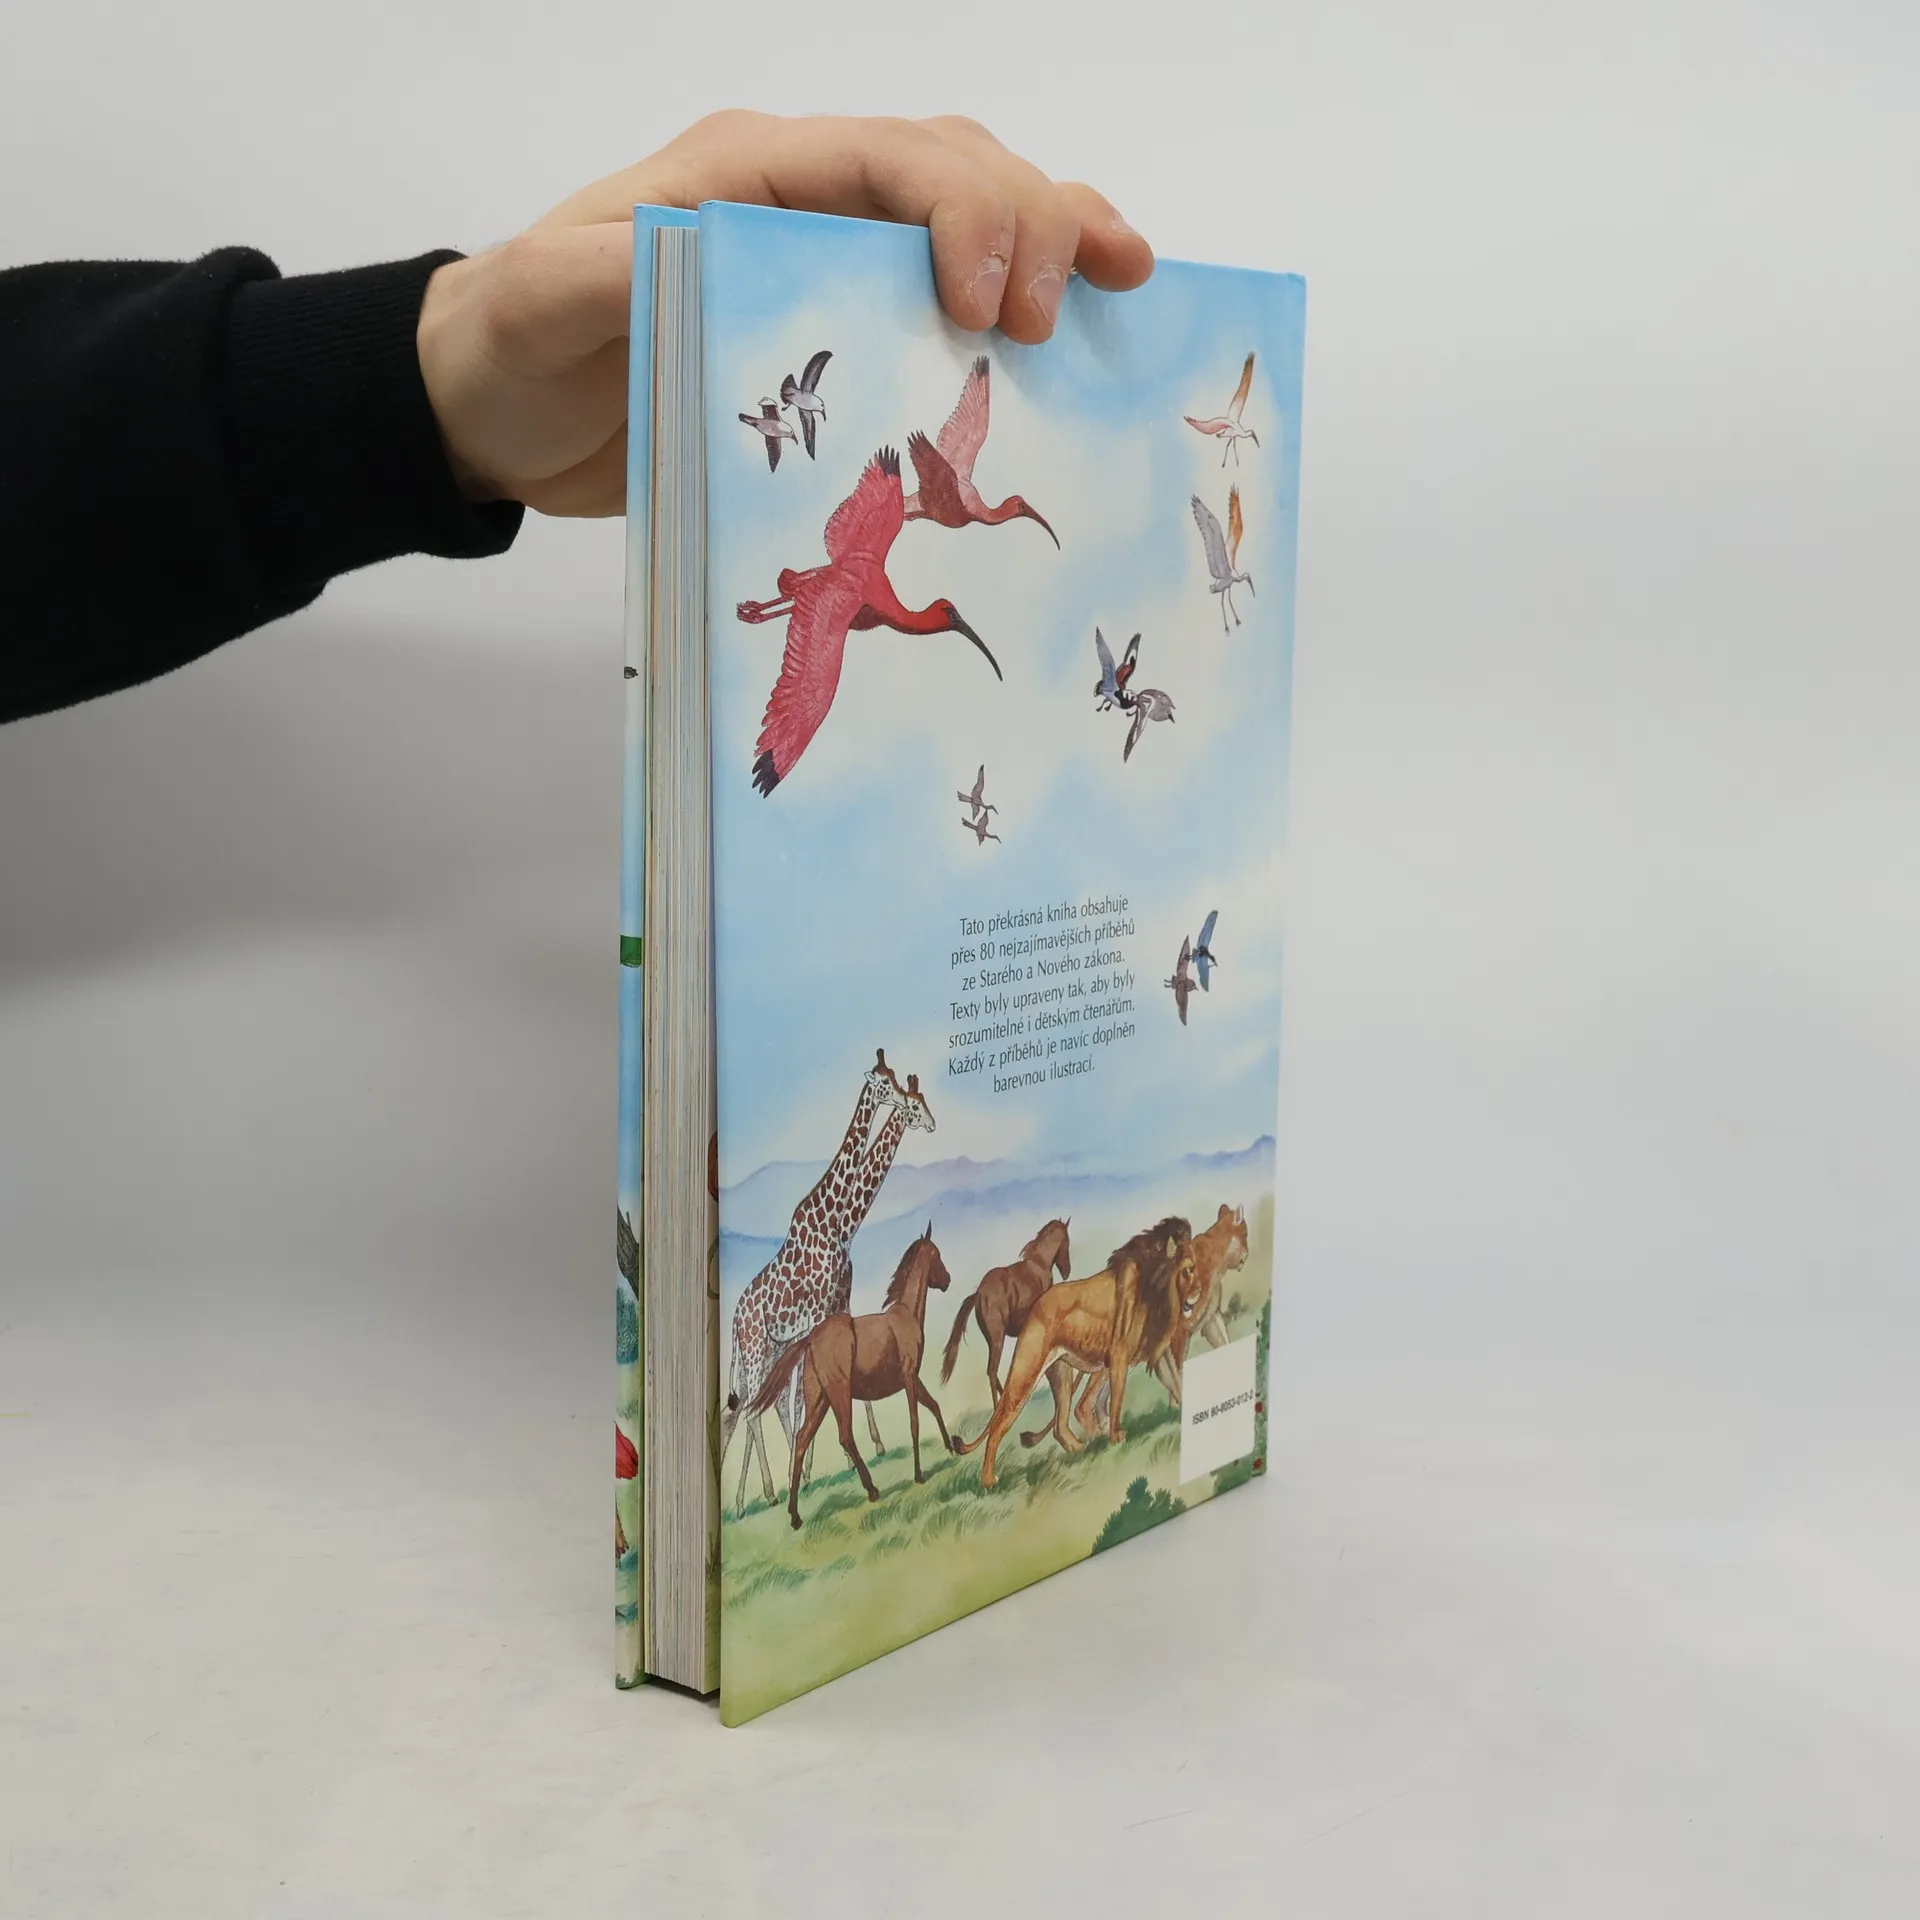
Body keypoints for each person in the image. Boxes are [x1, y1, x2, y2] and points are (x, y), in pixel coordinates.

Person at [0, 112, 1153, 728]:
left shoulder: (882, 552)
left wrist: (419, 383)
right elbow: (894, 482)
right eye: (943, 617)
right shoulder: (884, 548)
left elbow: (892, 486)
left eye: (943, 620)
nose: (943, 622)